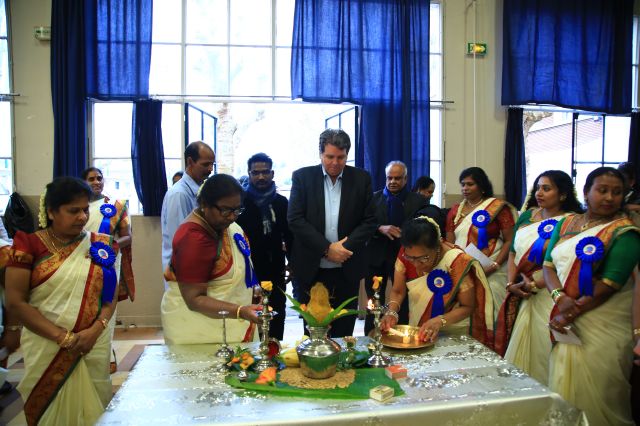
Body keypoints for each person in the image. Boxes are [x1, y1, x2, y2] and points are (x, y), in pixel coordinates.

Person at [5, 177, 120, 425]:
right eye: (73, 211)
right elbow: (16, 302)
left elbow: (110, 296)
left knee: (95, 405)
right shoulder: (28, 245)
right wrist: (63, 338)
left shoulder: (100, 245)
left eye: (85, 210)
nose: (82, 217)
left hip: (93, 342)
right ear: (51, 212)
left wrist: (95, 329)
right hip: (47, 344)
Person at [544, 167, 640, 425]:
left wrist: (570, 311)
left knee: (600, 393)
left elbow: (609, 284)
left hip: (602, 323)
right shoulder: (566, 223)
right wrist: (559, 297)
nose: (609, 197)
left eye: (617, 192)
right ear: (586, 192)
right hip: (565, 317)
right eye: (602, 190)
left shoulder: (625, 233)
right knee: (562, 384)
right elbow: (548, 265)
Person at [494, 171, 582, 384]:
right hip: (521, 291)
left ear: (562, 194)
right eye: (538, 188)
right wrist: (511, 283)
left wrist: (535, 284)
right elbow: (513, 251)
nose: (539, 193)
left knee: (543, 347)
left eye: (546, 189)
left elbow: (566, 264)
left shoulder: (572, 222)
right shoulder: (527, 216)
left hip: (549, 294)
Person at [288, 129, 376, 338]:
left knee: (344, 330)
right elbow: (295, 219)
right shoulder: (302, 177)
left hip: (347, 268)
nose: (335, 163)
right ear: (320, 154)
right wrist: (327, 249)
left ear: (347, 155)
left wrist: (343, 248)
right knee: (314, 332)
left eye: (341, 157)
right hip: (312, 268)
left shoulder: (361, 178)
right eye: (329, 157)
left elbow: (370, 220)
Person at [161, 174, 262, 344]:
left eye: (237, 210)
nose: (232, 217)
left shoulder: (221, 224)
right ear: (204, 204)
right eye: (225, 210)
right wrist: (240, 311)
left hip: (224, 326)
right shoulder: (193, 239)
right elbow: (194, 300)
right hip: (197, 332)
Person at [380, 217, 493, 346]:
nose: (416, 265)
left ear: (437, 246)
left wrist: (440, 321)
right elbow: (398, 291)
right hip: (420, 329)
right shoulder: (407, 253)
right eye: (411, 258)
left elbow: (468, 306)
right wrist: (392, 312)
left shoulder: (457, 262)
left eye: (423, 258)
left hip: (453, 331)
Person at [365, 161, 431, 334]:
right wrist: (379, 228)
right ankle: (371, 336)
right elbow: (362, 225)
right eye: (390, 178)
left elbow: (425, 226)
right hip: (376, 257)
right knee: (374, 300)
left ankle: (401, 336)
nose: (393, 181)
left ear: (406, 179)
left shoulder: (419, 201)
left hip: (406, 259)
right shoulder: (373, 199)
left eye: (397, 178)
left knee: (404, 299)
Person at [446, 167, 516, 320]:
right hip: (463, 269)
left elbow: (510, 240)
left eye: (470, 184)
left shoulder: (497, 208)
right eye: (463, 184)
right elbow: (449, 244)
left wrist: (495, 265)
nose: (465, 188)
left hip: (493, 269)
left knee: (490, 313)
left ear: (482, 186)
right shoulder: (455, 211)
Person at [236, 153, 292, 340]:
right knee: (249, 314)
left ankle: (275, 349)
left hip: (275, 268)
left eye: (265, 172)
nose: (261, 177)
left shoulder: (281, 203)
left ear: (272, 173)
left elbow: (289, 236)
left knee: (277, 312)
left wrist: (292, 263)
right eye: (256, 173)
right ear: (249, 174)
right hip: (247, 271)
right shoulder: (240, 203)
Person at [161, 142, 215, 279]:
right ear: (190, 162)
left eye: (212, 164)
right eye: (205, 164)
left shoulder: (201, 189)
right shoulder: (179, 194)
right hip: (183, 270)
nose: (210, 169)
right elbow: (180, 240)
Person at [82, 166, 135, 302]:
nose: (96, 182)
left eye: (99, 178)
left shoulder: (116, 206)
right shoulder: (78, 207)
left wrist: (109, 246)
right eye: (91, 179)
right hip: (82, 257)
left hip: (106, 258)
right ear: (84, 182)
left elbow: (128, 237)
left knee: (106, 300)